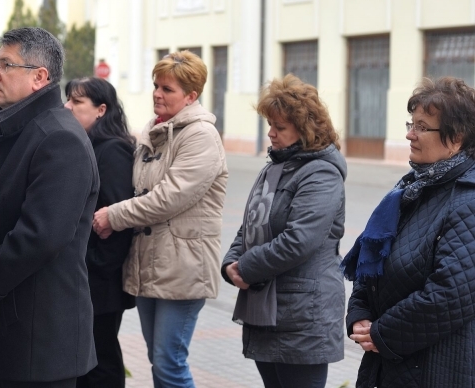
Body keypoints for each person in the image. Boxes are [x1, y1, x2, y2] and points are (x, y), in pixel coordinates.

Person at [0, 27, 99, 388]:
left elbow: (40, 237)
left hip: (36, 339)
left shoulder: (60, 139)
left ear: (39, 77)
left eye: (5, 64)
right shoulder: (17, 129)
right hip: (7, 330)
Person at [92, 50, 227, 388]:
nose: (157, 93)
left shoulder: (200, 136)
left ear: (191, 96)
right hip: (152, 263)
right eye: (156, 86)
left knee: (169, 362)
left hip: (183, 265)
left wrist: (115, 214)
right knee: (158, 358)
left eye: (168, 89)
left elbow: (169, 197)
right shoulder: (154, 132)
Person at [344, 76, 475, 388]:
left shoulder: (468, 200)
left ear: (455, 137)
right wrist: (360, 313)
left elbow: (450, 295)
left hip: (435, 368)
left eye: (421, 127)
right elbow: (372, 261)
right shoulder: (410, 189)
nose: (409, 134)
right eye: (410, 123)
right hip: (390, 363)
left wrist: (382, 333)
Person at [221, 74, 346, 388]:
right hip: (271, 309)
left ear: (304, 130)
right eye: (270, 124)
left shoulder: (321, 173)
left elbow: (299, 240)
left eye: (280, 127)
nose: (271, 133)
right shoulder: (277, 165)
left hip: (304, 316)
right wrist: (230, 264)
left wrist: (247, 268)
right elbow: (251, 223)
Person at [64, 77, 135, 388]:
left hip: (100, 281)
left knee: (101, 359)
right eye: (68, 100)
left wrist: (94, 265)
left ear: (101, 109)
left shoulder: (113, 150)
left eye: (77, 102)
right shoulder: (85, 144)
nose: (67, 107)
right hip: (86, 274)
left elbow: (119, 219)